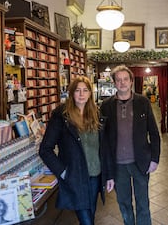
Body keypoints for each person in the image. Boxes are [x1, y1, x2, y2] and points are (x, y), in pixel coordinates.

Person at [39, 76, 114, 225]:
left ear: (90, 94)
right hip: (75, 177)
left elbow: (104, 148)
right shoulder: (61, 116)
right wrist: (63, 171)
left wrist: (109, 175)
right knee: (87, 221)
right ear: (71, 93)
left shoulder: (96, 114)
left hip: (95, 176)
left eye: (85, 90)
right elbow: (45, 149)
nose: (81, 94)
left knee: (90, 215)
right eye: (78, 90)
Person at [100, 65, 161, 225]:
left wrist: (154, 159)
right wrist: (108, 172)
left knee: (143, 204)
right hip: (118, 165)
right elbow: (103, 141)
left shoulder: (143, 102)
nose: (122, 83)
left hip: (140, 163)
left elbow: (154, 133)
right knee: (124, 204)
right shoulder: (105, 106)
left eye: (125, 79)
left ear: (131, 81)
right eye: (118, 80)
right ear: (113, 83)